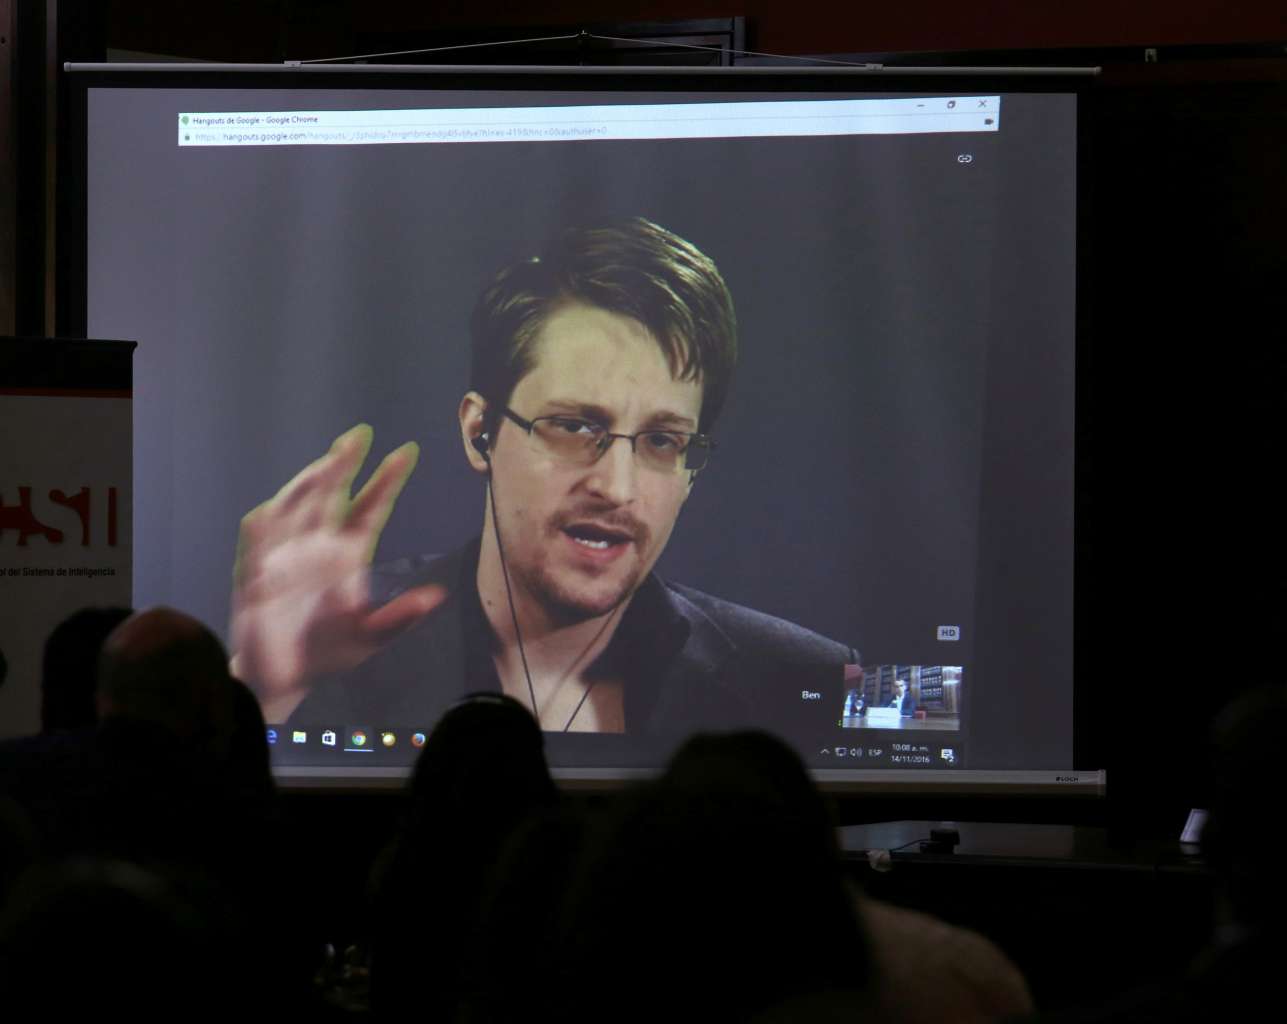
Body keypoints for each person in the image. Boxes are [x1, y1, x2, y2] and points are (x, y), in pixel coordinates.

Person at [230, 218, 859, 734]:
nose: (617, 488)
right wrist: (262, 694)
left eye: (662, 441)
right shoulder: (323, 648)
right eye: (576, 426)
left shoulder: (804, 680)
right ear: (480, 431)